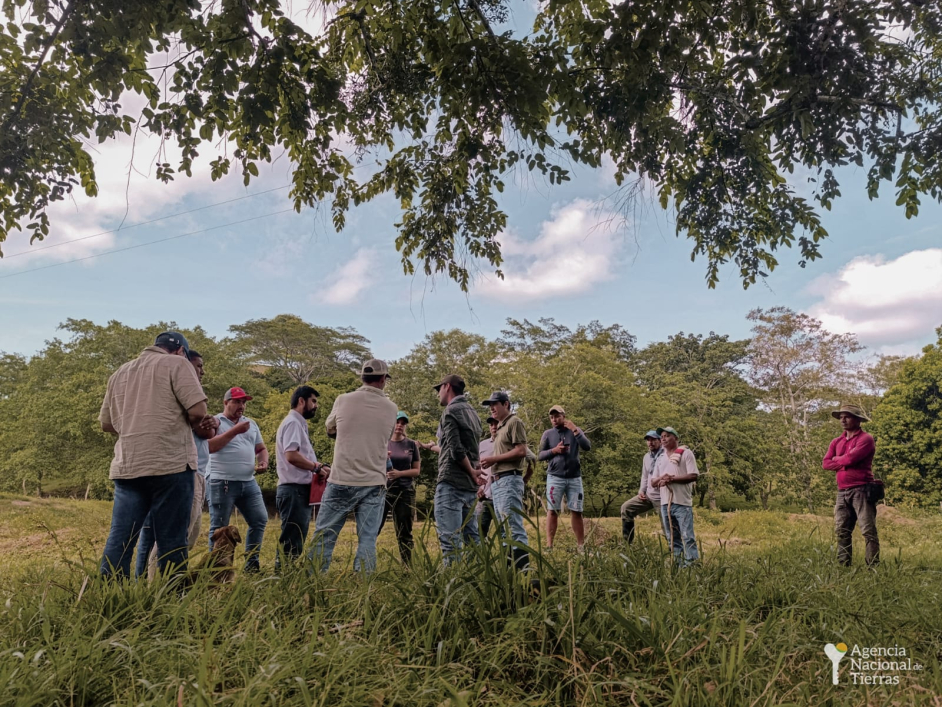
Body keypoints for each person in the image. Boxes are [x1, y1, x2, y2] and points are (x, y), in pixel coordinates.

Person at [98, 331, 212, 579]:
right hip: (170, 464)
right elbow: (198, 410)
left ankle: (107, 599)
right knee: (172, 541)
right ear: (181, 350)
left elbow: (106, 424)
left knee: (120, 538)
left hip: (128, 465)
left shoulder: (120, 372)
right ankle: (170, 603)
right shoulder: (177, 363)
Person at [135, 349, 219, 580]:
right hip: (180, 472)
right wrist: (204, 423)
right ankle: (158, 586)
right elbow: (199, 427)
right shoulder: (174, 392)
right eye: (198, 366)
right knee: (173, 537)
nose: (201, 371)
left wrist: (211, 422)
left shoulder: (189, 392)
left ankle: (157, 582)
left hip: (196, 471)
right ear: (183, 364)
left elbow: (207, 432)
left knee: (187, 535)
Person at [309, 359, 398, 573]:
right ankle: (363, 585)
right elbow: (386, 436)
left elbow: (329, 427)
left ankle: (312, 581)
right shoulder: (392, 408)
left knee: (325, 535)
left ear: (362, 377)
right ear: (383, 379)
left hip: (342, 477)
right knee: (367, 538)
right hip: (374, 481)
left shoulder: (343, 400)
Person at [207, 387, 269, 573]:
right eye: (237, 401)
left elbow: (261, 448)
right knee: (219, 528)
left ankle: (251, 566)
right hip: (221, 481)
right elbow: (209, 447)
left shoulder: (251, 423)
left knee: (259, 520)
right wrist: (235, 430)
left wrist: (264, 461)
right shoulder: (216, 421)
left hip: (248, 481)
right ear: (226, 403)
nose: (241, 405)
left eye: (244, 402)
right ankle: (215, 572)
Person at [274, 385, 331, 570]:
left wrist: (320, 467)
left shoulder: (298, 423)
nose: (316, 406)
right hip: (293, 490)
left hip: (298, 491)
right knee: (291, 539)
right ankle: (283, 579)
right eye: (313, 401)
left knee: (295, 538)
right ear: (301, 401)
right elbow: (291, 455)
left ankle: (286, 578)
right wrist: (316, 467)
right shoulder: (292, 422)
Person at [432, 374, 483, 564]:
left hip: (451, 482)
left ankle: (453, 589)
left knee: (450, 541)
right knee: (473, 540)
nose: (438, 394)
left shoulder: (450, 412)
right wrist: (474, 472)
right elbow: (472, 450)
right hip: (469, 487)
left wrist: (471, 471)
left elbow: (456, 450)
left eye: (439, 389)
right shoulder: (474, 413)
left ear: (447, 387)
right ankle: (477, 584)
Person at [822, 403, 879, 567]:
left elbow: (850, 459)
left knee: (868, 531)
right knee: (842, 531)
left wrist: (838, 460)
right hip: (842, 492)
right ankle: (843, 566)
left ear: (857, 419)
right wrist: (843, 461)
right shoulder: (836, 441)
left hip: (862, 489)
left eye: (847, 416)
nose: (843, 420)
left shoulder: (865, 439)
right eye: (841, 417)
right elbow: (825, 464)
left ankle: (872, 567)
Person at [480, 391, 532, 570]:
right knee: (503, 528)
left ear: (506, 404)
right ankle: (509, 571)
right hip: (497, 482)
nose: (492, 408)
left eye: (495, 404)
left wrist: (494, 459)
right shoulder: (501, 427)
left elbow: (521, 451)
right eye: (490, 405)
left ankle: (523, 572)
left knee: (513, 526)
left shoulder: (514, 422)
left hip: (509, 478)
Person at [538, 405, 591, 552]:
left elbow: (587, 446)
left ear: (564, 416)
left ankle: (581, 546)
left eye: (557, 416)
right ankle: (549, 545)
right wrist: (554, 451)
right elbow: (540, 455)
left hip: (574, 478)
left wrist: (575, 430)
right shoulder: (547, 434)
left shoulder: (574, 430)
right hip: (555, 477)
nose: (554, 419)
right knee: (552, 510)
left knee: (577, 510)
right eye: (552, 417)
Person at [650, 426, 700, 568]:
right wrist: (662, 477)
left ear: (676, 438)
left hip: (682, 503)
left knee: (687, 537)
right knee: (672, 538)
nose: (663, 438)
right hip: (666, 504)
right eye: (662, 436)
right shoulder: (660, 458)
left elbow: (693, 475)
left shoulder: (686, 454)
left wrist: (672, 479)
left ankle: (693, 567)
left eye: (667, 435)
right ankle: (677, 566)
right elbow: (653, 482)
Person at [378, 411, 421, 564]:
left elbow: (416, 471)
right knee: (374, 528)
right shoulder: (382, 442)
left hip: (405, 491)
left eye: (403, 423)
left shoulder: (411, 444)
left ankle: (407, 566)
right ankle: (366, 564)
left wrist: (400, 473)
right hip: (383, 491)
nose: (400, 425)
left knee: (405, 532)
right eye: (397, 422)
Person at [620, 430, 664, 544]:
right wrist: (641, 490)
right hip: (648, 495)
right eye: (648, 440)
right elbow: (645, 475)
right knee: (626, 508)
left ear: (660, 441)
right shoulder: (646, 457)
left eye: (653, 440)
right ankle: (627, 544)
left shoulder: (666, 455)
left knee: (668, 526)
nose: (650, 443)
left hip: (663, 498)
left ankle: (674, 553)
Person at [475, 417, 500, 538]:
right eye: (491, 424)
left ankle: (508, 556)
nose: (494, 427)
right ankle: (480, 556)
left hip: (502, 492)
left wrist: (524, 479)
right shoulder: (482, 445)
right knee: (479, 530)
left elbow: (530, 458)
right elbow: (476, 467)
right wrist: (477, 486)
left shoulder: (509, 444)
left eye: (496, 424)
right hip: (484, 494)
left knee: (505, 530)